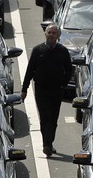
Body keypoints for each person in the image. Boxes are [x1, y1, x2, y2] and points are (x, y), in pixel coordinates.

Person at [21, 24, 73, 156]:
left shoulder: (63, 51)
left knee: (53, 118)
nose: (51, 35)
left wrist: (63, 84)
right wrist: (24, 89)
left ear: (58, 36)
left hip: (56, 90)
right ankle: (47, 144)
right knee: (44, 117)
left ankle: (49, 143)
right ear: (45, 34)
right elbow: (30, 70)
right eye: (49, 32)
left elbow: (69, 71)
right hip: (41, 90)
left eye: (53, 33)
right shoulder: (38, 50)